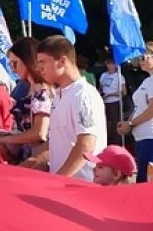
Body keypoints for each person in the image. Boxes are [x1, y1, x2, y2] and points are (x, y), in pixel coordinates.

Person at [29, 35, 106, 180]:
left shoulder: (83, 95)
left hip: (82, 185)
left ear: (62, 61)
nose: (40, 69)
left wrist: (59, 179)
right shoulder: (59, 95)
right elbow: (57, 142)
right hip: (63, 184)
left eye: (43, 62)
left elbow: (86, 144)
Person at [0, 37, 53, 164]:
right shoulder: (32, 89)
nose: (12, 68)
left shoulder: (41, 92)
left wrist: (2, 139)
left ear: (27, 60)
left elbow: (39, 133)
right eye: (11, 64)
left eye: (14, 63)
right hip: (28, 156)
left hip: (37, 161)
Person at [116, 41, 153, 182]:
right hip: (144, 137)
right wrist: (129, 122)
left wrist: (131, 123)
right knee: (143, 181)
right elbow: (141, 107)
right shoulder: (150, 80)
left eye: (143, 57)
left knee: (148, 182)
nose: (140, 60)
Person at [98, 57, 126, 146]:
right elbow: (100, 88)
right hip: (104, 102)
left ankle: (116, 144)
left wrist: (110, 94)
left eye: (112, 64)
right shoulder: (103, 75)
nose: (110, 65)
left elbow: (123, 92)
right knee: (104, 124)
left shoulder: (119, 76)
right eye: (108, 63)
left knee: (115, 124)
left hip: (114, 102)